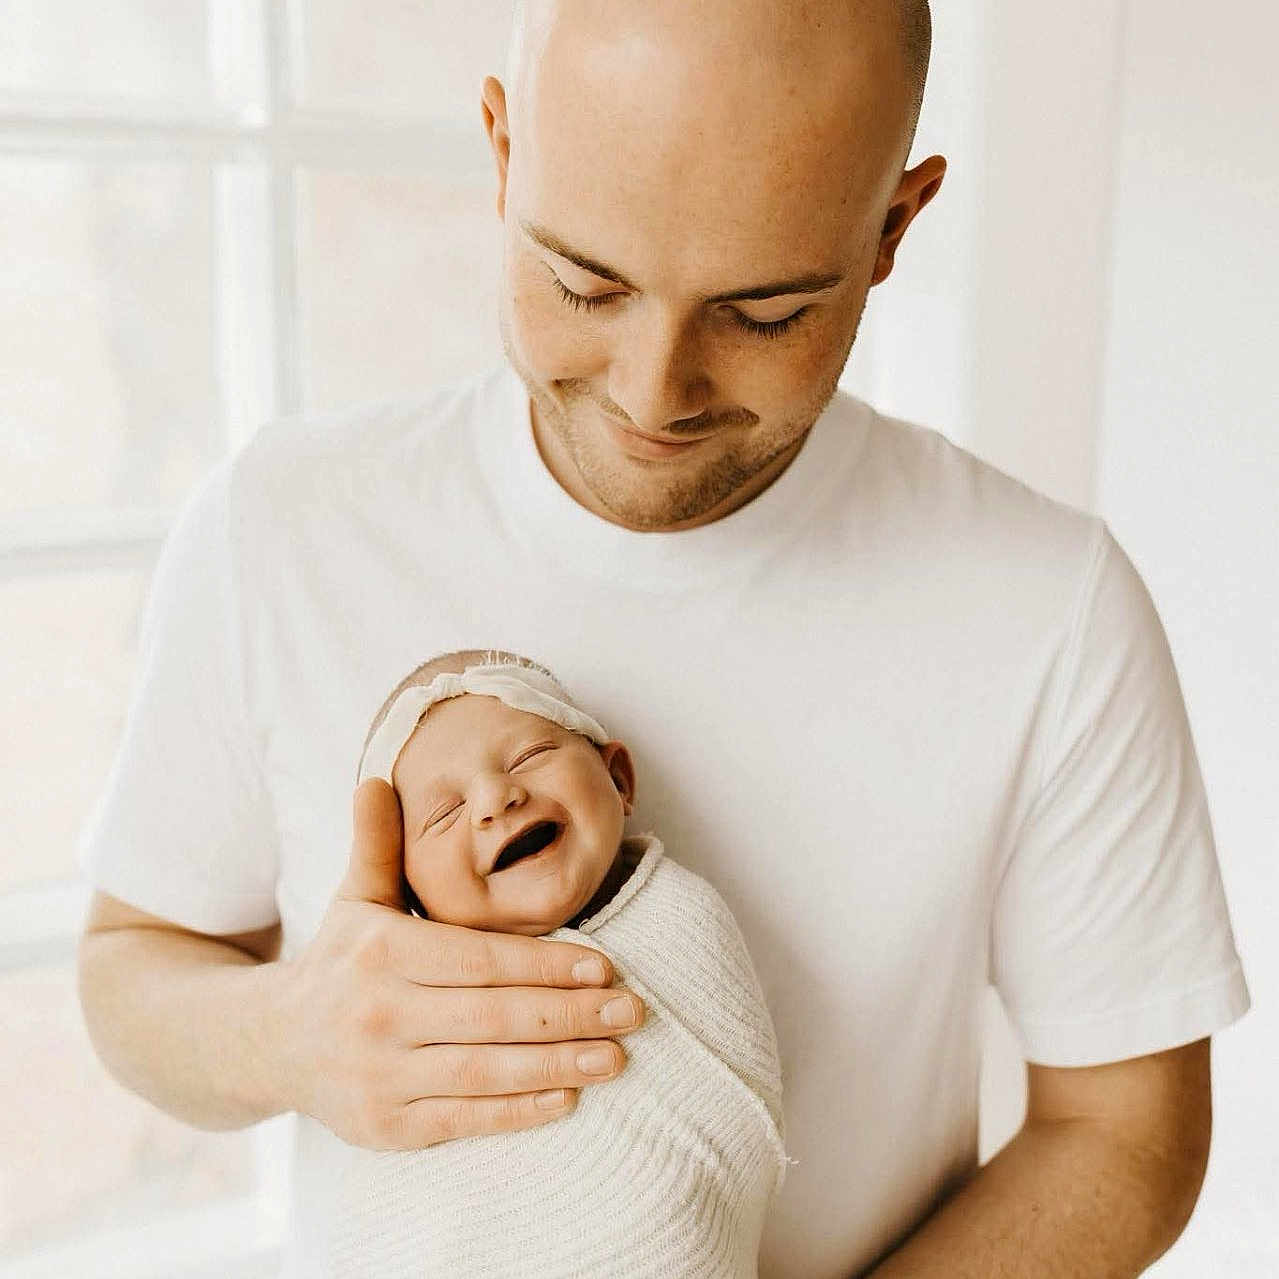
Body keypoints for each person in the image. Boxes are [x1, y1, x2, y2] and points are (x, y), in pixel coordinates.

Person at [76, 1, 1250, 1276]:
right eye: (585, 283)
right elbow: (135, 966)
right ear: (502, 151)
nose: (653, 392)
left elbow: (1125, 1131)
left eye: (764, 313)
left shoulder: (1048, 604)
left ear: (892, 228)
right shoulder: (285, 521)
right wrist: (289, 1034)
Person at [325, 648, 786, 1276]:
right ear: (413, 902)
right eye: (445, 813)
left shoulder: (679, 915)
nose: (495, 797)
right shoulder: (410, 1006)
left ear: (618, 779)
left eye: (529, 757)